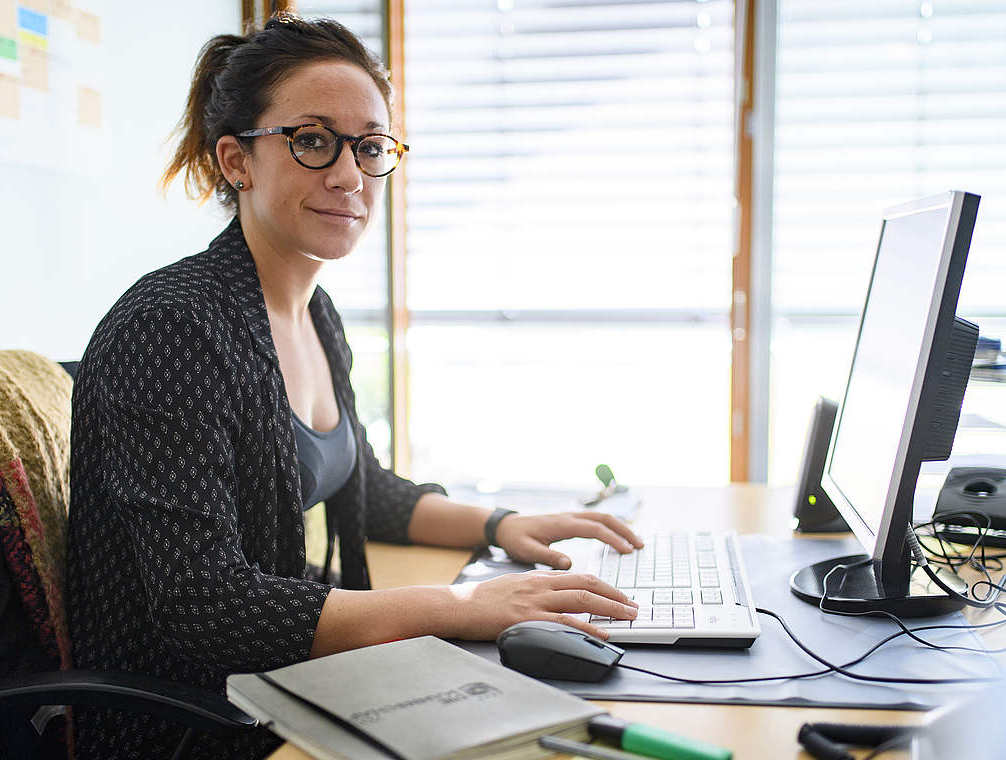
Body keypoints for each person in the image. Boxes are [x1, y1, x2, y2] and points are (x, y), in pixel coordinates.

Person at [67, 14, 642, 760]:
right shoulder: (174, 327)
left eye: (371, 147)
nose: (349, 174)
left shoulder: (314, 309)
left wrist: (500, 526)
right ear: (236, 160)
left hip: (279, 681)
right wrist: (463, 604)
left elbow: (361, 483)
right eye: (313, 140)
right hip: (197, 719)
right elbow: (200, 605)